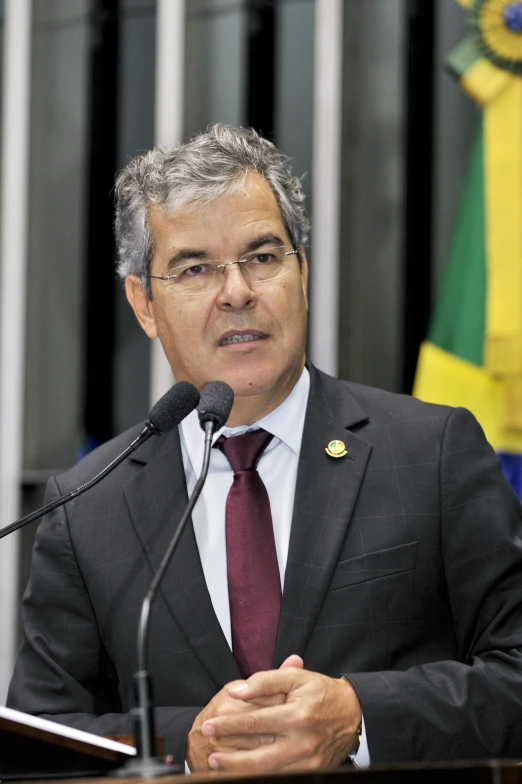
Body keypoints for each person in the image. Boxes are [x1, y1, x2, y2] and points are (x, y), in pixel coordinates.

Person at [7, 124, 522, 771]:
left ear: (302, 272)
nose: (237, 291)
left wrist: (359, 717)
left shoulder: (433, 452)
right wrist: (186, 744)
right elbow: (36, 746)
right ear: (143, 303)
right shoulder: (88, 507)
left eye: (263, 256)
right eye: (196, 268)